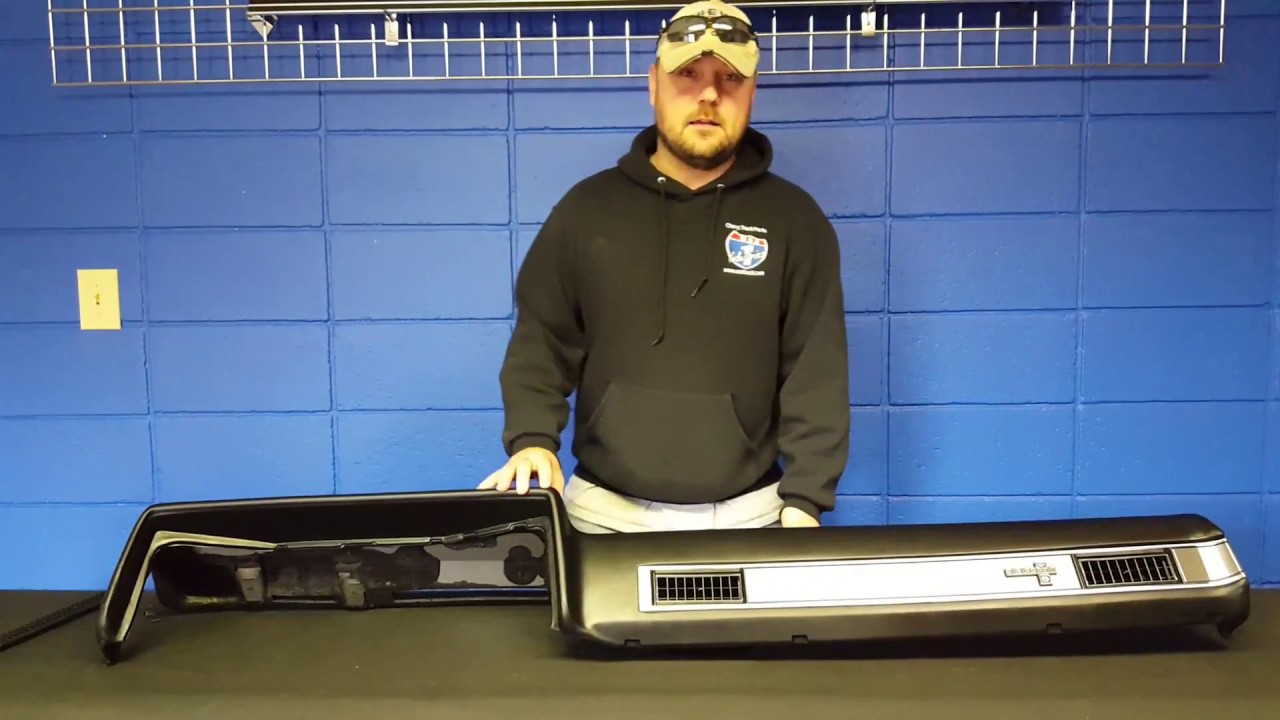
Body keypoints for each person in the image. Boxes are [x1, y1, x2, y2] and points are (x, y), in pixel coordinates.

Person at [478, 0, 850, 532]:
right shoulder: (587, 211)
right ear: (653, 84)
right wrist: (532, 440)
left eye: (729, 78)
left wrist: (806, 500)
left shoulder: (795, 220)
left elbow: (817, 372)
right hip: (601, 514)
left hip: (753, 519)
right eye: (687, 74)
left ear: (752, 92)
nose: (708, 95)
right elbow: (541, 341)